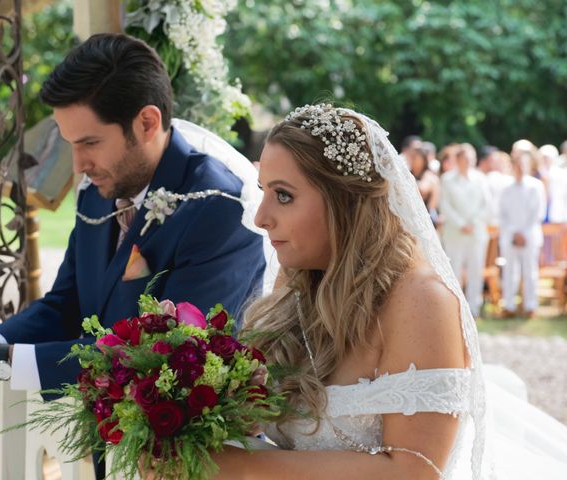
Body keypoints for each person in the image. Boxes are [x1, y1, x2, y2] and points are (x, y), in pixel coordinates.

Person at [0, 33, 265, 473]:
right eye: (70, 143)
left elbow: (167, 358)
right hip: (111, 446)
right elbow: (65, 304)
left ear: (146, 122)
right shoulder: (99, 189)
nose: (78, 165)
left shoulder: (218, 208)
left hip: (186, 457)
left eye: (89, 142)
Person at [202, 104, 567, 479]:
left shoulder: (422, 301)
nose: (260, 217)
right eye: (264, 191)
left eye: (283, 196)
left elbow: (415, 471)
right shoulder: (293, 286)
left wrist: (246, 466)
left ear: (345, 201)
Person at [439, 143, 492, 317]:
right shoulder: (447, 179)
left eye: (472, 158)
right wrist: (461, 224)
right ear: (458, 160)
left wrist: (473, 223)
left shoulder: (481, 179)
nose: (469, 161)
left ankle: (474, 307)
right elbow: (445, 205)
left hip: (476, 232)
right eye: (465, 158)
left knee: (476, 269)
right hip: (455, 232)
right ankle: (455, 307)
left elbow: (487, 205)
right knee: (454, 268)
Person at [499, 153, 546, 318]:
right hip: (510, 236)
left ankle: (530, 305)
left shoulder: (536, 186)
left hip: (530, 235)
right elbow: (502, 214)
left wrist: (524, 233)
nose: (520, 168)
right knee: (510, 271)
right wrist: (513, 232)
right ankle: (509, 305)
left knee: (530, 271)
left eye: (523, 164)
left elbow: (538, 213)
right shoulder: (505, 187)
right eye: (517, 164)